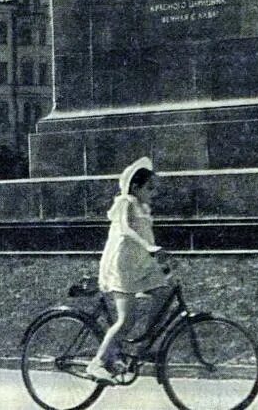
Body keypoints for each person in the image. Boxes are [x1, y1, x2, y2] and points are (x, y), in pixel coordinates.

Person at [86, 157, 169, 383]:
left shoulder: (142, 207)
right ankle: (98, 363)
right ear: (135, 187)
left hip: (139, 266)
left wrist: (158, 261)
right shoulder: (125, 202)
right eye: (149, 188)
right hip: (122, 266)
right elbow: (124, 228)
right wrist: (148, 246)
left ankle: (144, 346)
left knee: (164, 292)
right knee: (126, 320)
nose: (153, 192)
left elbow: (145, 236)